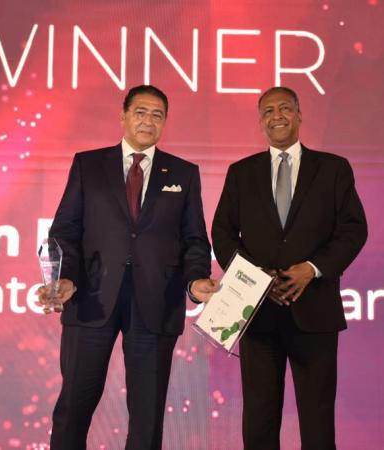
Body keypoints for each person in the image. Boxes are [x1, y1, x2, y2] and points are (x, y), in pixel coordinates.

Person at [38, 84, 217, 450]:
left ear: (165, 122)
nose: (148, 120)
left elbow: (195, 239)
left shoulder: (183, 173)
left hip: (156, 302)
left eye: (157, 115)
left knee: (147, 416)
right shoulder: (88, 165)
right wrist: (66, 277)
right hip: (90, 297)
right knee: (74, 406)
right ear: (123, 117)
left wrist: (196, 279)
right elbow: (65, 231)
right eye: (140, 112)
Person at [211, 86, 367, 450]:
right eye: (268, 111)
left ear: (299, 115)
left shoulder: (333, 169)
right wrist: (254, 278)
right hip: (257, 313)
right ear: (260, 121)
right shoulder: (241, 173)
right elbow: (222, 233)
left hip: (315, 312)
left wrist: (312, 268)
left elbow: (353, 229)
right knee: (259, 418)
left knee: (317, 418)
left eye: (284, 108)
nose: (276, 116)